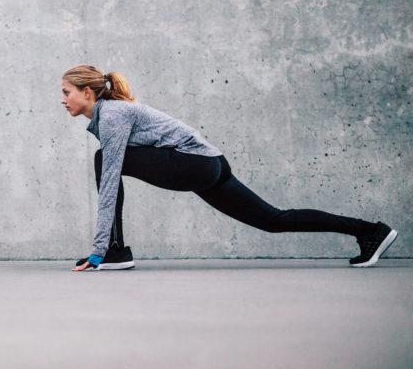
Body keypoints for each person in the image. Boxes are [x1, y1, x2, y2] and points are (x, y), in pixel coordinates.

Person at [60, 64, 398, 271]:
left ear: (87, 93)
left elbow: (108, 186)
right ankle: (370, 232)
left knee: (104, 160)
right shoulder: (112, 113)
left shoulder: (114, 115)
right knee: (273, 220)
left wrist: (97, 251)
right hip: (209, 165)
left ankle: (115, 252)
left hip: (196, 164)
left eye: (66, 92)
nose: (62, 100)